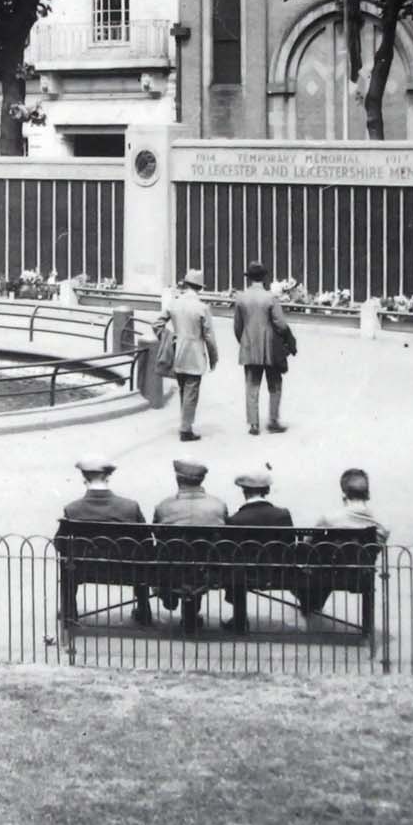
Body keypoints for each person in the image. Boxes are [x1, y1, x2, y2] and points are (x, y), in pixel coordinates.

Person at [59, 454, 153, 626]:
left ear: (84, 477)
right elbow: (147, 542)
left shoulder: (72, 509)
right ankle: (143, 608)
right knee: (142, 557)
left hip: (85, 569)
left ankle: (69, 611)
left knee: (66, 560)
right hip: (127, 570)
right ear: (108, 476)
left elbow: (60, 543)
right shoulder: (130, 507)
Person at [295, 468, 391, 627]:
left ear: (344, 494)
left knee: (315, 566)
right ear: (368, 495)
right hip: (360, 577)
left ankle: (310, 603)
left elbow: (308, 544)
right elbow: (374, 550)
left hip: (325, 575)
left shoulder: (329, 519)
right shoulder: (381, 526)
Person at [151, 458, 229, 628]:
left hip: (173, 566)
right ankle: (191, 609)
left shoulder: (164, 506)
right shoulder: (218, 505)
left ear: (178, 479)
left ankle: (168, 592)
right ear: (201, 480)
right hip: (206, 568)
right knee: (202, 554)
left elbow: (157, 534)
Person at [221, 467, 294, 633]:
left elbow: (228, 552)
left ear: (244, 491)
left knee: (236, 567)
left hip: (244, 575)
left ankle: (239, 620)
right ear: (267, 490)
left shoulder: (235, 520)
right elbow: (289, 547)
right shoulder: (283, 515)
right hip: (278, 573)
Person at [232, 262, 293, 435]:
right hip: (270, 348)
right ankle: (273, 421)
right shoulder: (270, 298)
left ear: (249, 278)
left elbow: (237, 326)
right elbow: (280, 324)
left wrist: (244, 341)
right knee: (275, 384)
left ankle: (253, 424)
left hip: (249, 346)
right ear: (264, 278)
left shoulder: (241, 298)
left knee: (252, 385)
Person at [161, 269, 220, 441]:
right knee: (191, 392)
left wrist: (169, 337)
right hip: (195, 355)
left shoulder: (174, 303)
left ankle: (184, 423)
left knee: (183, 390)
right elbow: (209, 337)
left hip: (178, 351)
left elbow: (157, 323)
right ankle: (186, 429)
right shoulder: (202, 307)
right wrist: (213, 358)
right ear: (200, 288)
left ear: (186, 284)